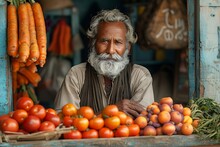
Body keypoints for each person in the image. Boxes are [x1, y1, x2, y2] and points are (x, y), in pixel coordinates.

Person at [54, 9, 154, 118]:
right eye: (104, 41)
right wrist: (111, 111)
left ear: (128, 48)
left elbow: (143, 121)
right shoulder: (76, 75)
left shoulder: (140, 76)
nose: (110, 50)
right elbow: (64, 121)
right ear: (93, 43)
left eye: (118, 42)